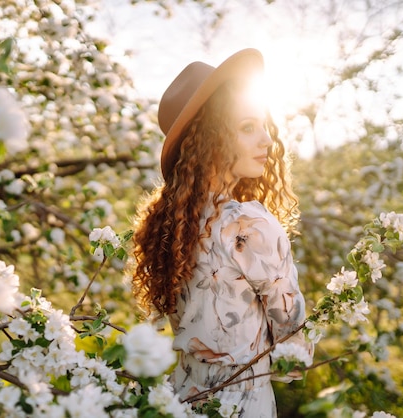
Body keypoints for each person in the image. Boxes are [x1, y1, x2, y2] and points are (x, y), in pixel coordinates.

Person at [130, 49, 313, 417]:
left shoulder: (169, 228)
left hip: (178, 401)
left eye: (263, 126)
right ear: (210, 140)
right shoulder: (250, 225)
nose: (267, 140)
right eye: (247, 127)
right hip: (241, 405)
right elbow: (294, 356)